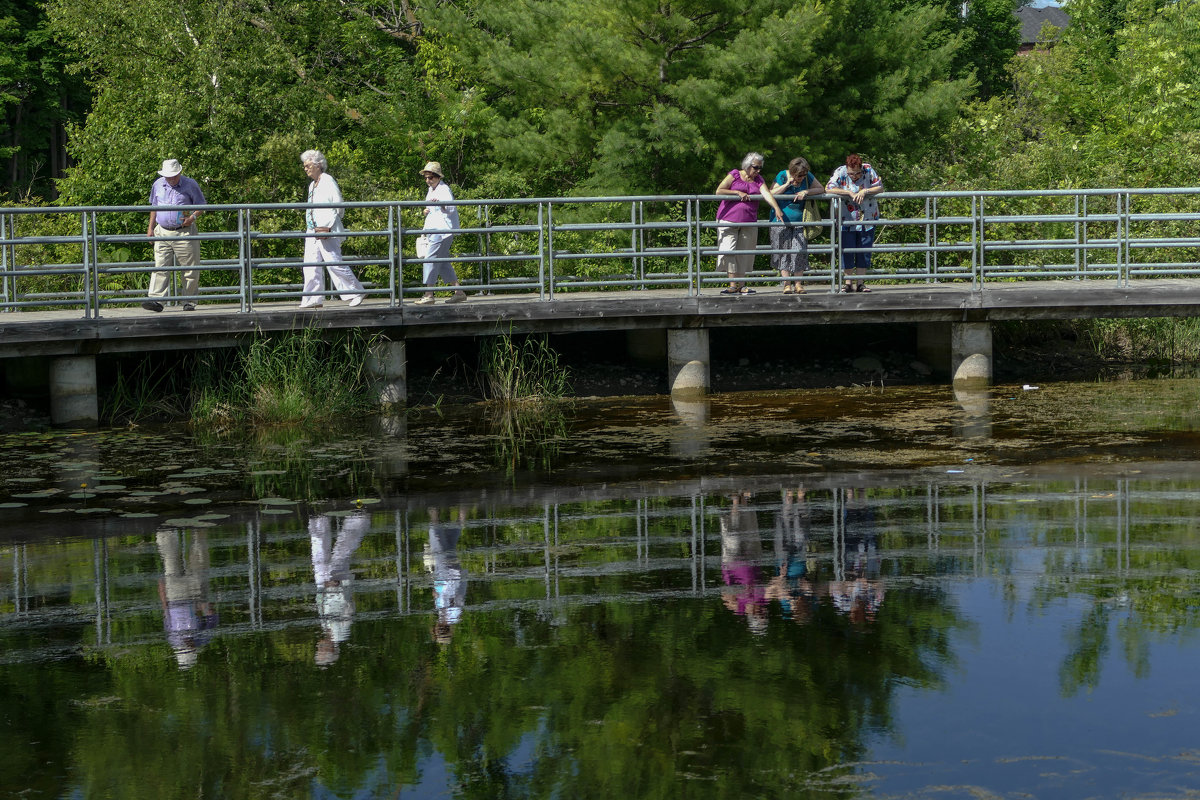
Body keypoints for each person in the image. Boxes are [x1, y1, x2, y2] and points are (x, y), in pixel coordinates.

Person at [299, 149, 367, 309]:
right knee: (310, 265)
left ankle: (357, 291)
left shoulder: (327, 180)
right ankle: (312, 298)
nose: (305, 168)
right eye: (305, 166)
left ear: (317, 165)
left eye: (308, 165)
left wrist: (327, 226)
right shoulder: (312, 185)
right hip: (312, 230)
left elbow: (338, 205)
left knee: (334, 262)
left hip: (326, 230)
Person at [713, 152, 785, 295]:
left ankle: (741, 284)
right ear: (747, 165)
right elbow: (719, 191)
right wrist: (736, 193)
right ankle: (733, 285)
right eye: (755, 167)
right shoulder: (734, 174)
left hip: (749, 220)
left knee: (745, 252)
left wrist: (776, 208)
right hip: (728, 219)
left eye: (760, 168)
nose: (758, 171)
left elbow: (766, 193)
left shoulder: (758, 179)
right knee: (728, 251)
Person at [143, 158, 206, 313]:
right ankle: (156, 300)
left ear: (179, 173)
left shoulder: (190, 184)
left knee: (189, 268)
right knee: (160, 266)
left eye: (173, 175)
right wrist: (150, 228)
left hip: (184, 231)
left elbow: (202, 206)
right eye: (168, 176)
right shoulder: (158, 184)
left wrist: (192, 218)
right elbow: (154, 206)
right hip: (162, 230)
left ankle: (189, 301)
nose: (171, 178)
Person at [310, 511, 369, 666]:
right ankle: (358, 518)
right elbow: (348, 608)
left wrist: (321, 590)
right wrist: (337, 587)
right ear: (330, 649)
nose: (318, 646)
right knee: (341, 552)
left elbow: (322, 606)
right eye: (321, 650)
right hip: (338, 585)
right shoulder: (341, 633)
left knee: (319, 558)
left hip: (324, 587)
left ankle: (318, 519)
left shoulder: (325, 628)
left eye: (318, 649)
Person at [156, 528, 218, 669]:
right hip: (194, 593)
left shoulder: (172, 638)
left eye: (184, 648)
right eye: (189, 648)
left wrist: (162, 590)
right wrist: (204, 607)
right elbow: (212, 615)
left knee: (169, 557)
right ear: (194, 650)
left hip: (174, 594)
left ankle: (165, 529)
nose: (186, 644)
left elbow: (165, 611)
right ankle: (198, 528)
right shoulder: (203, 638)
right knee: (199, 556)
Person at [825, 153, 883, 293]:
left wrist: (866, 191)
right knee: (847, 250)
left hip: (867, 217)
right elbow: (828, 188)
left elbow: (880, 187)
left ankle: (861, 283)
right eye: (852, 174)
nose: (855, 176)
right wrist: (849, 193)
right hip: (847, 218)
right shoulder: (840, 172)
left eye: (858, 173)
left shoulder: (868, 169)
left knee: (863, 250)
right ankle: (848, 283)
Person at [769, 157, 824, 295]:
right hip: (780, 221)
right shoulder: (782, 175)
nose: (801, 178)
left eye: (803, 175)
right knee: (783, 252)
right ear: (792, 172)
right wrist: (787, 184)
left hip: (800, 221)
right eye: (799, 175)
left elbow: (821, 188)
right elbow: (771, 193)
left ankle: (798, 284)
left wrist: (807, 192)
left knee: (799, 250)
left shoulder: (807, 177)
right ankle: (786, 284)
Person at [415, 161, 466, 305]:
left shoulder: (444, 189)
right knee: (442, 263)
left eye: (430, 177)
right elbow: (430, 208)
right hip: (434, 230)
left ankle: (429, 294)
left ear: (437, 177)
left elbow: (451, 208)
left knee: (430, 260)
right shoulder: (431, 190)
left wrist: (441, 204)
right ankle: (459, 292)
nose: (428, 180)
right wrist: (426, 210)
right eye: (426, 177)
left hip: (442, 230)